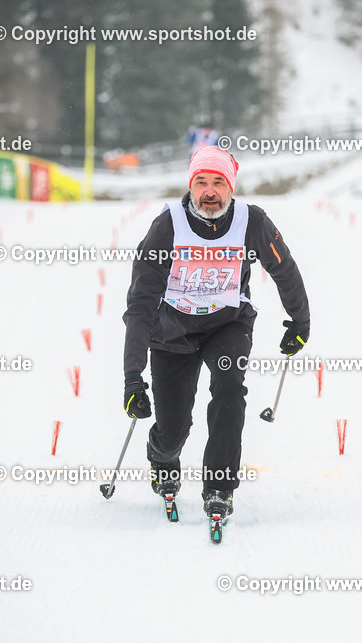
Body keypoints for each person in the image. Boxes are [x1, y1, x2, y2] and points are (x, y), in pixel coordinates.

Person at [122, 146, 310, 527]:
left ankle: (220, 486)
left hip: (228, 325)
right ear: (190, 186)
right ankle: (163, 460)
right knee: (173, 431)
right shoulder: (167, 227)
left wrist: (299, 322)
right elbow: (140, 304)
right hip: (172, 332)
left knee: (228, 388)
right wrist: (132, 377)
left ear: (231, 187)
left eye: (219, 183)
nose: (210, 192)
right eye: (202, 182)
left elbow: (284, 268)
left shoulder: (251, 222)